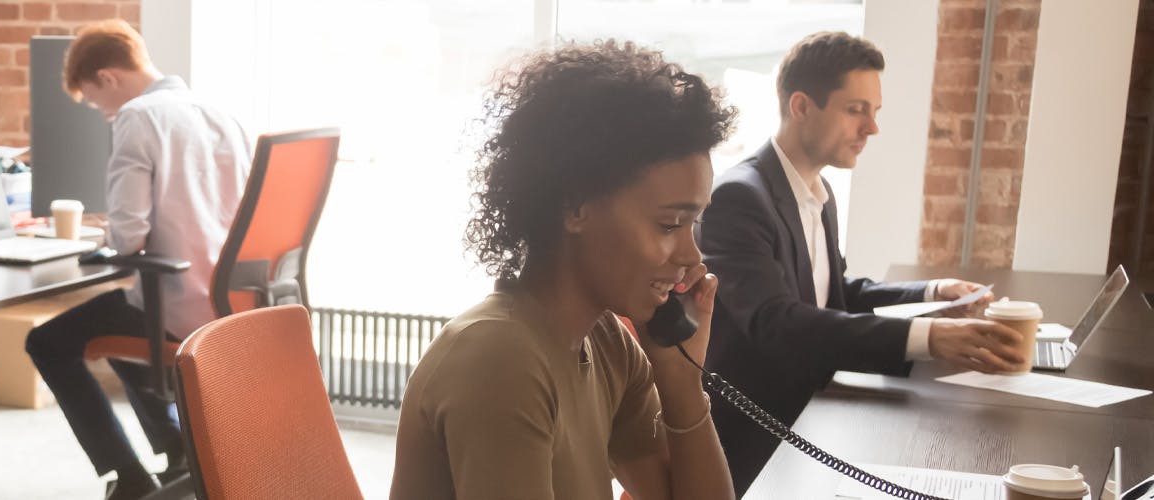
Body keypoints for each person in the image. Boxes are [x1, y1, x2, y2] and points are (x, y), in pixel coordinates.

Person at [390, 40, 737, 500]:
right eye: (670, 224)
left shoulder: (607, 341)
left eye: (694, 223)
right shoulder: (500, 358)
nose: (692, 257)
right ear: (576, 206)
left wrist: (681, 381)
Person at [698, 31, 1027, 495]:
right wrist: (929, 339)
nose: (872, 128)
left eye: (874, 112)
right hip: (757, 433)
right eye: (856, 110)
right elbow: (776, 321)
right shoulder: (740, 197)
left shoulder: (818, 191)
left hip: (815, 408)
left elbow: (833, 294)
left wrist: (931, 296)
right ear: (801, 107)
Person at [21, 19, 251, 500]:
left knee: (46, 342)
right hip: (236, 301)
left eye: (96, 101)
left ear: (107, 77)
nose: (104, 113)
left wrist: (103, 234)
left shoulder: (138, 117)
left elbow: (128, 237)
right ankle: (176, 451)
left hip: (180, 304)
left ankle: (125, 477)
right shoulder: (219, 112)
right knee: (120, 328)